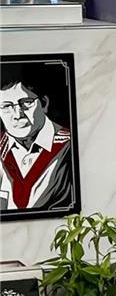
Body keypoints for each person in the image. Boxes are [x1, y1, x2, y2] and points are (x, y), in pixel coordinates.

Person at [0, 73, 73, 213]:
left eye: (26, 103)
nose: (17, 115)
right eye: (6, 106)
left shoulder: (70, 147)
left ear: (44, 103)